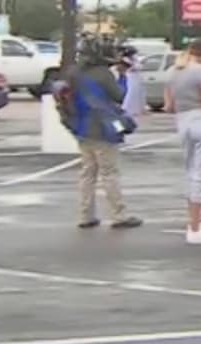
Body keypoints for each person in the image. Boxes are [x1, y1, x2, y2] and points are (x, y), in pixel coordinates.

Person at [60, 36, 143, 231]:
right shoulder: (103, 73)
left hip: (80, 127)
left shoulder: (73, 73)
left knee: (88, 173)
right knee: (109, 172)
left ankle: (85, 215)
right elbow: (119, 96)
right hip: (103, 128)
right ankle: (118, 215)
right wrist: (122, 76)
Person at [164, 39, 201, 244]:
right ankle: (195, 227)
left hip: (183, 121)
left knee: (192, 173)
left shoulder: (172, 71)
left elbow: (168, 105)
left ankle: (197, 222)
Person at [118, 45, 147, 120]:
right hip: (131, 76)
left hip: (137, 76)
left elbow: (139, 66)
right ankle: (126, 108)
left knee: (139, 92)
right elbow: (131, 67)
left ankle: (137, 109)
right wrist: (134, 66)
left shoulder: (134, 59)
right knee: (131, 92)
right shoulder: (125, 59)